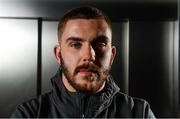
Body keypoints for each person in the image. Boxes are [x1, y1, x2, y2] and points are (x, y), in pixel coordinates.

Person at [11, 6, 155, 118]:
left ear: (111, 55)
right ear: (59, 54)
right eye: (75, 44)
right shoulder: (29, 114)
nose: (89, 55)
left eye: (100, 44)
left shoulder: (139, 113)